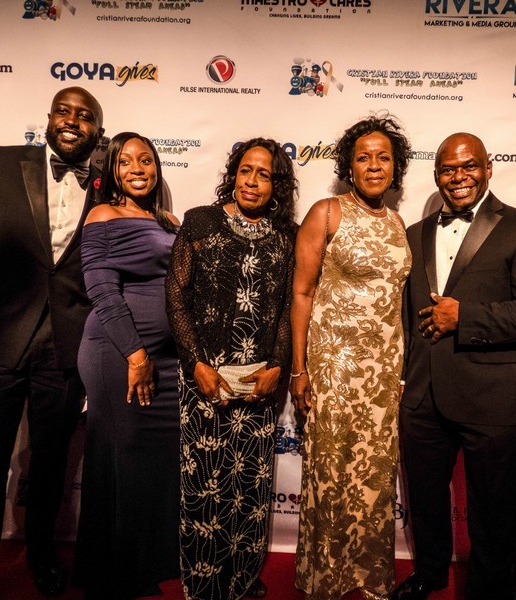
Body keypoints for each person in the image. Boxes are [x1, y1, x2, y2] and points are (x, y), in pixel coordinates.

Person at [0, 87, 105, 599]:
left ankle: (41, 553)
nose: (73, 121)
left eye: (85, 116)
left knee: (51, 464)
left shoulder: (108, 181)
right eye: (64, 111)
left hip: (67, 348)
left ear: (98, 130)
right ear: (48, 118)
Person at [392, 133, 516, 600]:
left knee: (493, 509)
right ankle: (429, 573)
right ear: (436, 176)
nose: (459, 176)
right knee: (425, 499)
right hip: (423, 394)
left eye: (469, 166)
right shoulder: (415, 233)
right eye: (449, 169)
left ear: (488, 168)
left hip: (492, 395)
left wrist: (465, 317)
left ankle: (487, 590)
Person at [165, 138, 297, 600]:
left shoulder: (288, 235)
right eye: (245, 170)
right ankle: (203, 582)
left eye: (264, 174)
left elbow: (287, 308)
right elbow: (176, 295)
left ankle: (241, 577)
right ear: (234, 175)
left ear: (276, 184)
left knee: (248, 488)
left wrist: (278, 366)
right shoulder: (201, 221)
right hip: (205, 379)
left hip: (260, 384)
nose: (252, 181)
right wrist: (195, 363)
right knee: (205, 485)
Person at [292, 115, 412, 600]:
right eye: (364, 157)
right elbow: (302, 293)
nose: (374, 165)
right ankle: (326, 577)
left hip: (384, 370)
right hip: (335, 365)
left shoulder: (399, 223)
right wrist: (299, 369)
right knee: (332, 471)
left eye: (384, 157)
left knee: (375, 476)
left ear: (396, 167)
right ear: (349, 166)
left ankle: (368, 574)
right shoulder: (326, 213)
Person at [72, 133, 180, 598]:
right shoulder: (102, 215)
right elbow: (100, 288)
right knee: (119, 458)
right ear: (112, 170)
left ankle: (145, 562)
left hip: (167, 360)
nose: (138, 168)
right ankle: (110, 573)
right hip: (118, 353)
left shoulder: (167, 219)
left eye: (146, 160)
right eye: (126, 161)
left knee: (151, 466)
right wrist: (135, 355)